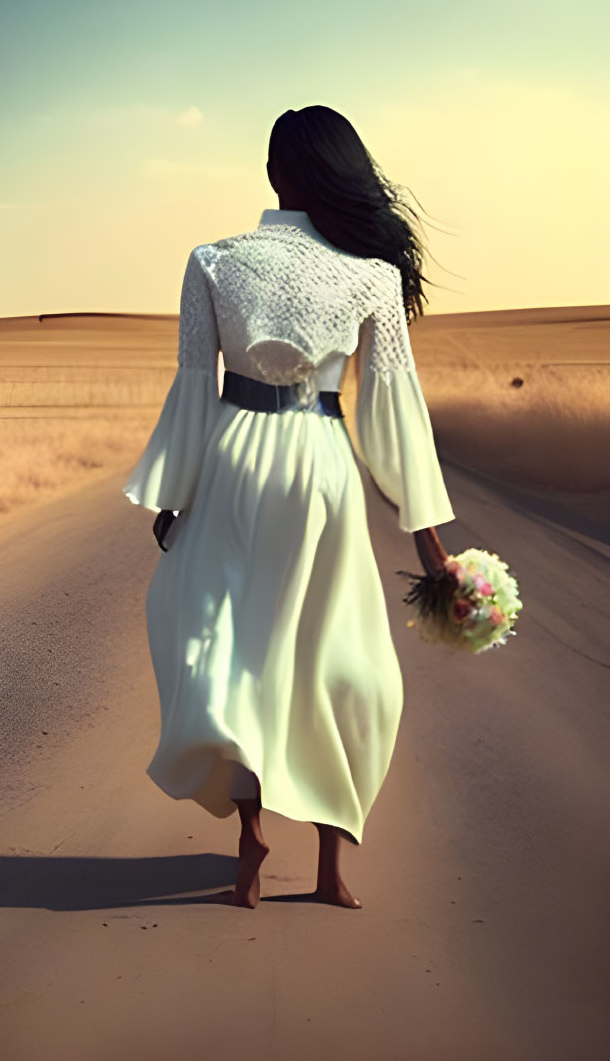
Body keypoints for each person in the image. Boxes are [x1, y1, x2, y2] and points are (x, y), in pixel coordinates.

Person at [124, 105, 456, 909]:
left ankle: (249, 831)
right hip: (320, 466)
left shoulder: (211, 260)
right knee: (339, 654)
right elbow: (390, 415)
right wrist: (429, 542)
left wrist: (173, 496)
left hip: (235, 460)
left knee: (228, 646)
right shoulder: (372, 274)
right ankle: (331, 866)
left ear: (274, 175)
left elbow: (195, 389)